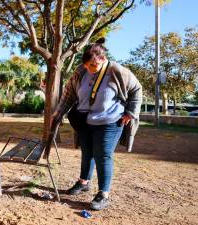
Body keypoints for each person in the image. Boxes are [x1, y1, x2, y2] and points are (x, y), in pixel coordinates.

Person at [51, 38, 142, 210]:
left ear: (102, 58)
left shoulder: (117, 71)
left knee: (103, 155)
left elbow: (136, 89)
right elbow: (69, 94)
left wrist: (131, 113)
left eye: (93, 65)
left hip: (110, 121)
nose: (89, 68)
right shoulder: (82, 70)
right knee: (87, 152)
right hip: (86, 121)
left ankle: (103, 194)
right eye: (87, 65)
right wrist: (58, 113)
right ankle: (83, 182)